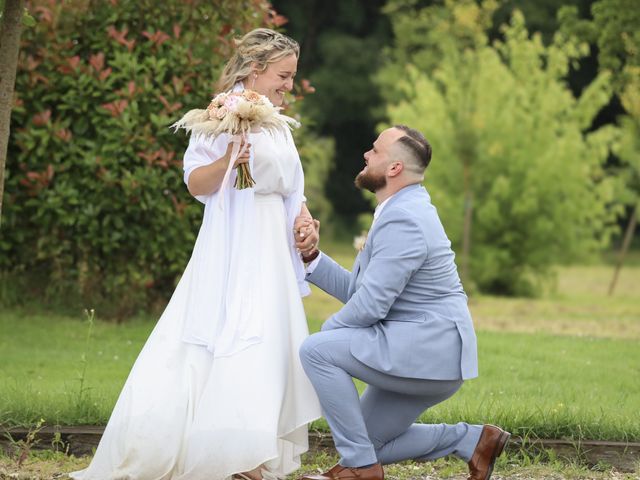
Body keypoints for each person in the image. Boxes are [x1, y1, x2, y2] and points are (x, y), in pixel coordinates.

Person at [71, 28, 321, 480]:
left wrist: (305, 222)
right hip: (234, 241)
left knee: (268, 336)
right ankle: (228, 453)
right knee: (236, 330)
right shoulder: (222, 112)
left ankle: (253, 450)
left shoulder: (280, 123)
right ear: (255, 70)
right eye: (283, 76)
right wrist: (230, 159)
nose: (288, 85)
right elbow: (195, 184)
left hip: (270, 245)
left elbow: (291, 188)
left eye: (292, 77)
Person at [293, 126, 510, 480]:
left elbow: (370, 307)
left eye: (375, 151)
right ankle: (473, 441)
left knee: (316, 350)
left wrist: (329, 336)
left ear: (394, 168)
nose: (366, 154)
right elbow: (365, 293)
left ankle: (360, 471)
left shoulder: (405, 218)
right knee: (364, 440)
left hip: (430, 350)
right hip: (427, 350)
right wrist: (312, 259)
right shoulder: (402, 210)